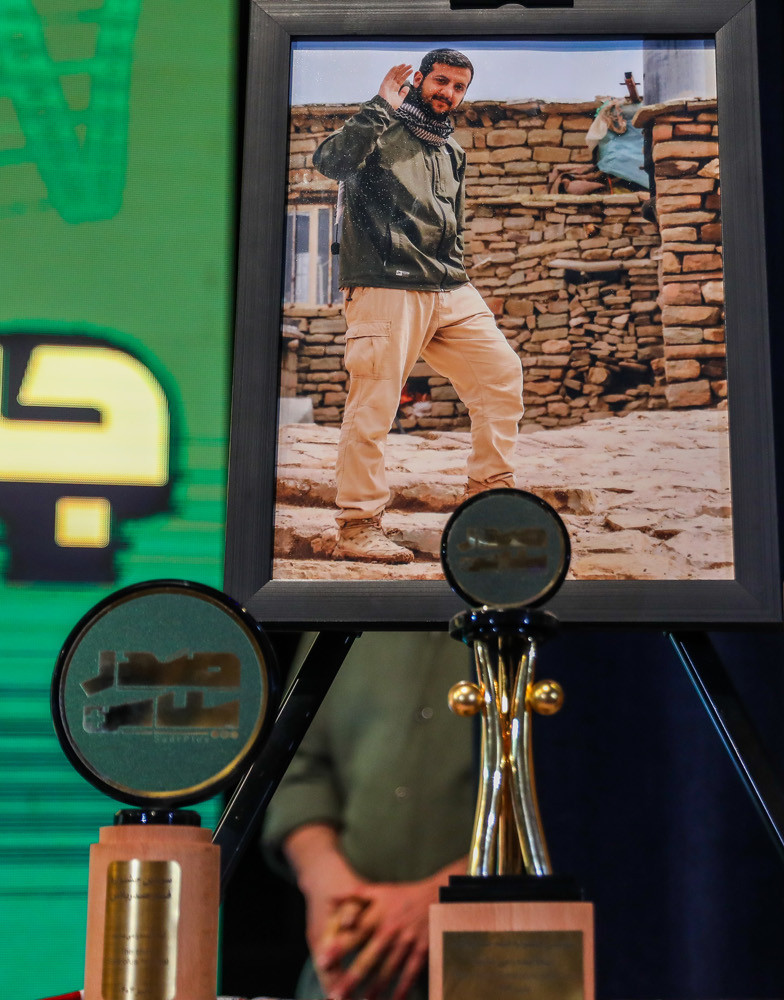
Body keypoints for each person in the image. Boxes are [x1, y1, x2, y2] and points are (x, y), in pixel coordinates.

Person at [314, 50, 525, 564]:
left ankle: (487, 505)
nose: (448, 93)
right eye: (441, 81)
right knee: (373, 408)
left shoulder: (451, 149)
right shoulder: (380, 128)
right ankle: (358, 526)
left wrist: (456, 272)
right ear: (420, 80)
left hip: (448, 286)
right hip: (386, 285)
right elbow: (330, 163)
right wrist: (378, 106)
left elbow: (453, 223)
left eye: (458, 87)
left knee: (501, 376)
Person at [262, 631, 476, 1000]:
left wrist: (456, 893)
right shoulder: (342, 608)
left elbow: (571, 793)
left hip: (498, 957)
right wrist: (325, 878)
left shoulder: (547, 614)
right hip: (351, 953)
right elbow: (297, 766)